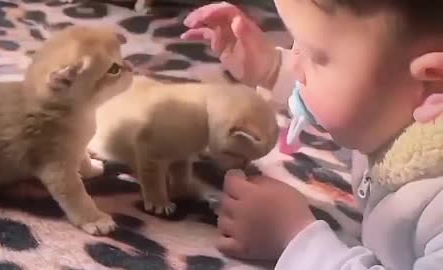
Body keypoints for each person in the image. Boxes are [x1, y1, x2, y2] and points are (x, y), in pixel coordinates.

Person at [181, 1, 443, 269]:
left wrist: (294, 237)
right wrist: (270, 67)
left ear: (432, 83)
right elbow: (358, 109)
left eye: (315, 57)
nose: (296, 66)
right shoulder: (400, 111)